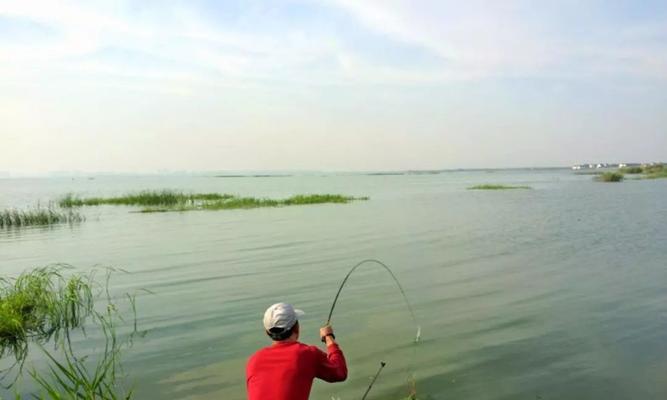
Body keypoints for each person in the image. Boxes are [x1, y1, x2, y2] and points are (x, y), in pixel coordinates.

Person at [246, 302, 347, 400]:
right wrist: (328, 337)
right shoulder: (306, 354)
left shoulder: (253, 360)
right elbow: (340, 372)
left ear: (267, 332)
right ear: (296, 328)